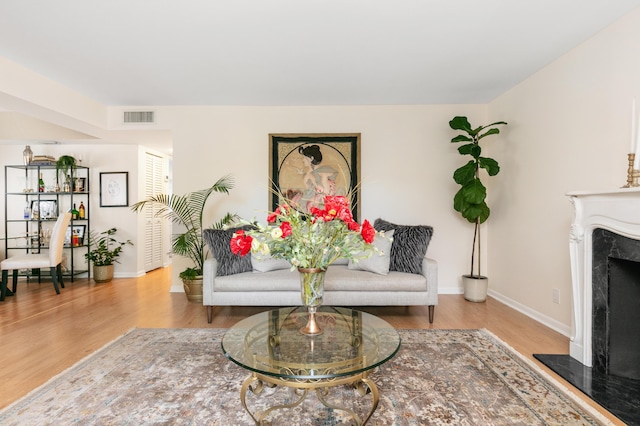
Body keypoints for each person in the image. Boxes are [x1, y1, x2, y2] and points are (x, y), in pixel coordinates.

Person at [297, 145, 339, 212]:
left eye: (304, 158)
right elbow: (308, 190)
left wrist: (312, 178)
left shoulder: (323, 172)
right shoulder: (309, 174)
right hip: (311, 206)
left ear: (311, 158)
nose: (303, 160)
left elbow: (325, 193)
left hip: (323, 206)